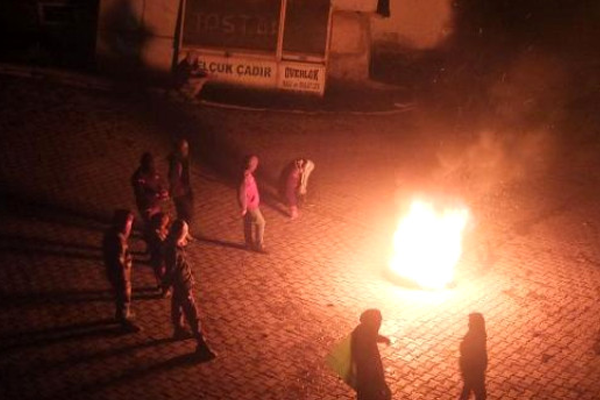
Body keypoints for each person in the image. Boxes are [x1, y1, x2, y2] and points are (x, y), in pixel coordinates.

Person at [162, 219, 216, 360]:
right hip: (182, 284)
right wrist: (165, 286)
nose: (187, 234)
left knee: (177, 304)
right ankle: (202, 344)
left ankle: (179, 329)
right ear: (181, 233)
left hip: (180, 282)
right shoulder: (172, 250)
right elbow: (171, 270)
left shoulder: (173, 244)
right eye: (185, 232)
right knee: (192, 313)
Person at [102, 209, 140, 332]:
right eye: (129, 224)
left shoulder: (113, 234)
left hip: (116, 272)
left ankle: (123, 314)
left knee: (122, 295)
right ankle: (123, 320)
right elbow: (118, 262)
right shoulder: (117, 239)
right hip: (120, 274)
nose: (130, 228)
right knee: (124, 296)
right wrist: (124, 279)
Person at [351, 309, 392, 400]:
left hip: (365, 374)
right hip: (368, 374)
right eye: (378, 321)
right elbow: (370, 366)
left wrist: (384, 339)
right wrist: (382, 383)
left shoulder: (364, 329)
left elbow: (374, 337)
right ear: (372, 321)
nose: (379, 324)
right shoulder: (364, 334)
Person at [131, 152, 168, 228]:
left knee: (156, 221)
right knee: (149, 222)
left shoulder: (153, 172)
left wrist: (162, 191)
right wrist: (154, 195)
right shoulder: (138, 177)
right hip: (146, 205)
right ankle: (148, 234)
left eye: (151, 162)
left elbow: (159, 183)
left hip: (155, 203)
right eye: (148, 163)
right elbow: (139, 193)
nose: (151, 165)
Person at [238, 155, 266, 252]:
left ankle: (248, 244)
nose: (256, 166)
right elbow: (243, 193)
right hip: (250, 205)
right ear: (252, 166)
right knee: (261, 222)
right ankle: (258, 245)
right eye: (255, 164)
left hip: (249, 204)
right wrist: (244, 207)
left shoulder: (245, 174)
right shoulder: (246, 178)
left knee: (248, 222)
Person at [459, 313, 488, 400]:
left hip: (472, 367)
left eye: (470, 321)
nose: (468, 323)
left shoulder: (476, 335)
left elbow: (470, 351)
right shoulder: (479, 333)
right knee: (472, 389)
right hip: (473, 366)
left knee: (474, 389)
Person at [168, 139, 195, 234]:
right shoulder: (177, 163)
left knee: (187, 213)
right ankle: (181, 233)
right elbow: (174, 179)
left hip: (186, 190)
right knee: (185, 214)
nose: (187, 151)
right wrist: (177, 191)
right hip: (181, 192)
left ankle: (185, 232)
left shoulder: (184, 160)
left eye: (187, 148)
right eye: (184, 149)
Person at [147, 212, 171, 297]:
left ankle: (160, 286)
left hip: (158, 257)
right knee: (162, 274)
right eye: (165, 221)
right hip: (159, 258)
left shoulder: (162, 230)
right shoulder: (157, 234)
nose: (167, 223)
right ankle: (164, 291)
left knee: (159, 273)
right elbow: (161, 246)